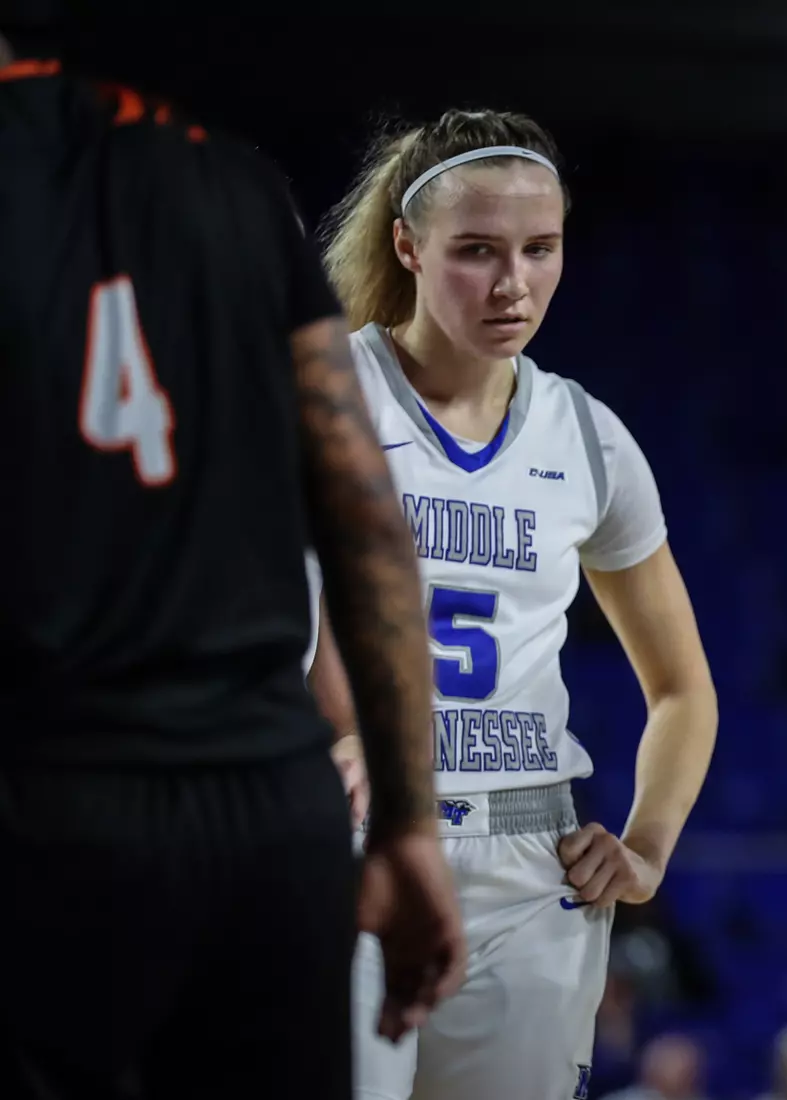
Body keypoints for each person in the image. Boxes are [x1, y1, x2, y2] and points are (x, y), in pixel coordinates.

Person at [0, 9, 464, 1098]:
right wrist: (406, 821)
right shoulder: (231, 181)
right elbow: (365, 517)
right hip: (270, 818)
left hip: (46, 808)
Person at [314, 107, 719, 1100]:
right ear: (407, 244)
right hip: (349, 842)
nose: (514, 283)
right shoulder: (320, 393)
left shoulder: (587, 436)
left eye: (542, 249)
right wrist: (332, 731)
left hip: (531, 872)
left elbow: (682, 689)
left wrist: (648, 845)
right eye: (478, 251)